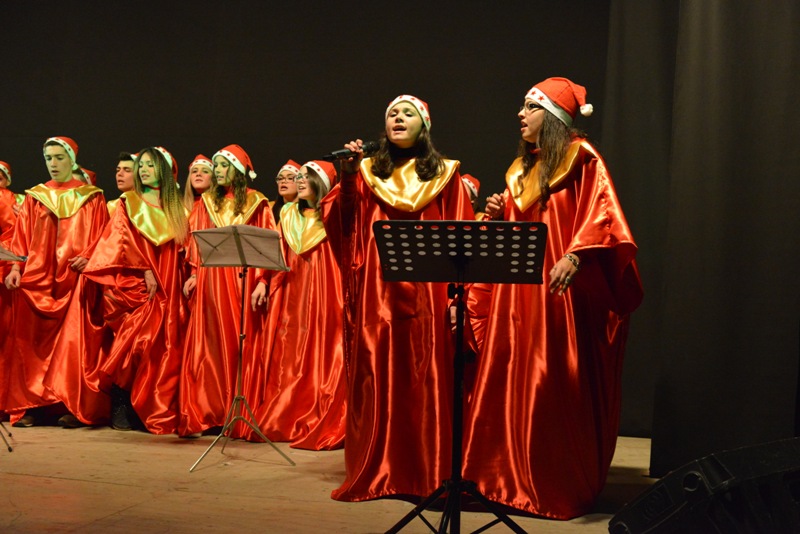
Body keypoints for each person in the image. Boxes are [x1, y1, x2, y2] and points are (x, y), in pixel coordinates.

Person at [461, 77, 644, 519]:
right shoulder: (521, 170)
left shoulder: (582, 158)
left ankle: (550, 482)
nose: (520, 115)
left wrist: (577, 254)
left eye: (531, 107)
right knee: (511, 380)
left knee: (551, 382)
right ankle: (502, 479)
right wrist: (499, 214)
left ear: (554, 116)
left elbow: (603, 214)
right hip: (516, 295)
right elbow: (519, 228)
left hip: (559, 291)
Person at [320, 95, 475, 501]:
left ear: (425, 125)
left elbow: (463, 234)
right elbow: (345, 225)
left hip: (430, 293)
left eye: (408, 113)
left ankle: (427, 472)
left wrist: (460, 298)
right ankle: (381, 470)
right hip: (379, 292)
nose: (398, 119)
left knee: (428, 379)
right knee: (379, 376)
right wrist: (347, 177)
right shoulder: (367, 171)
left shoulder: (446, 175)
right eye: (392, 114)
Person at [2, 137, 110, 428]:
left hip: (74, 279)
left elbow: (102, 236)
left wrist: (88, 258)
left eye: (59, 157)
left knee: (73, 345)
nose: (53, 163)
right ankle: (32, 407)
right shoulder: (36, 196)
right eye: (48, 158)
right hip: (39, 279)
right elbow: (21, 236)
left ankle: (71, 405)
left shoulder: (92, 197)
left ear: (72, 160)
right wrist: (15, 267)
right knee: (33, 346)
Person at [82, 146, 189, 434]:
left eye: (150, 165)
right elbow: (119, 241)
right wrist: (144, 269)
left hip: (170, 281)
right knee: (136, 340)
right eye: (141, 165)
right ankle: (122, 400)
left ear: (163, 170)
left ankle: (149, 406)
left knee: (163, 346)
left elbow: (185, 248)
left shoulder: (178, 209)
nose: (143, 170)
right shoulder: (128, 202)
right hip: (137, 280)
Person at [179, 144, 277, 437]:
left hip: (242, 280)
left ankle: (239, 413)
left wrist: (263, 281)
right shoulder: (206, 203)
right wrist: (194, 272)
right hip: (212, 280)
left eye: (224, 166)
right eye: (217, 165)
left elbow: (267, 242)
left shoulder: (257, 202)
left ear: (238, 170)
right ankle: (212, 412)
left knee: (241, 344)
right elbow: (196, 241)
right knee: (211, 345)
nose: (218, 171)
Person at [249, 160, 346, 450]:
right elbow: (276, 252)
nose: (300, 180)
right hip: (293, 293)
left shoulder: (334, 215)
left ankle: (318, 413)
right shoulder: (289, 213)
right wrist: (263, 281)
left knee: (325, 350)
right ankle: (287, 414)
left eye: (307, 176)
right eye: (299, 176)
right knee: (290, 353)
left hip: (327, 292)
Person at [270, 160, 300, 225]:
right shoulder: (269, 208)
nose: (283, 181)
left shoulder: (307, 213)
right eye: (280, 178)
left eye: (290, 178)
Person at [108, 152, 136, 217]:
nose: (119, 174)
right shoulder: (111, 206)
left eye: (127, 170)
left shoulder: (147, 206)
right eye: (118, 170)